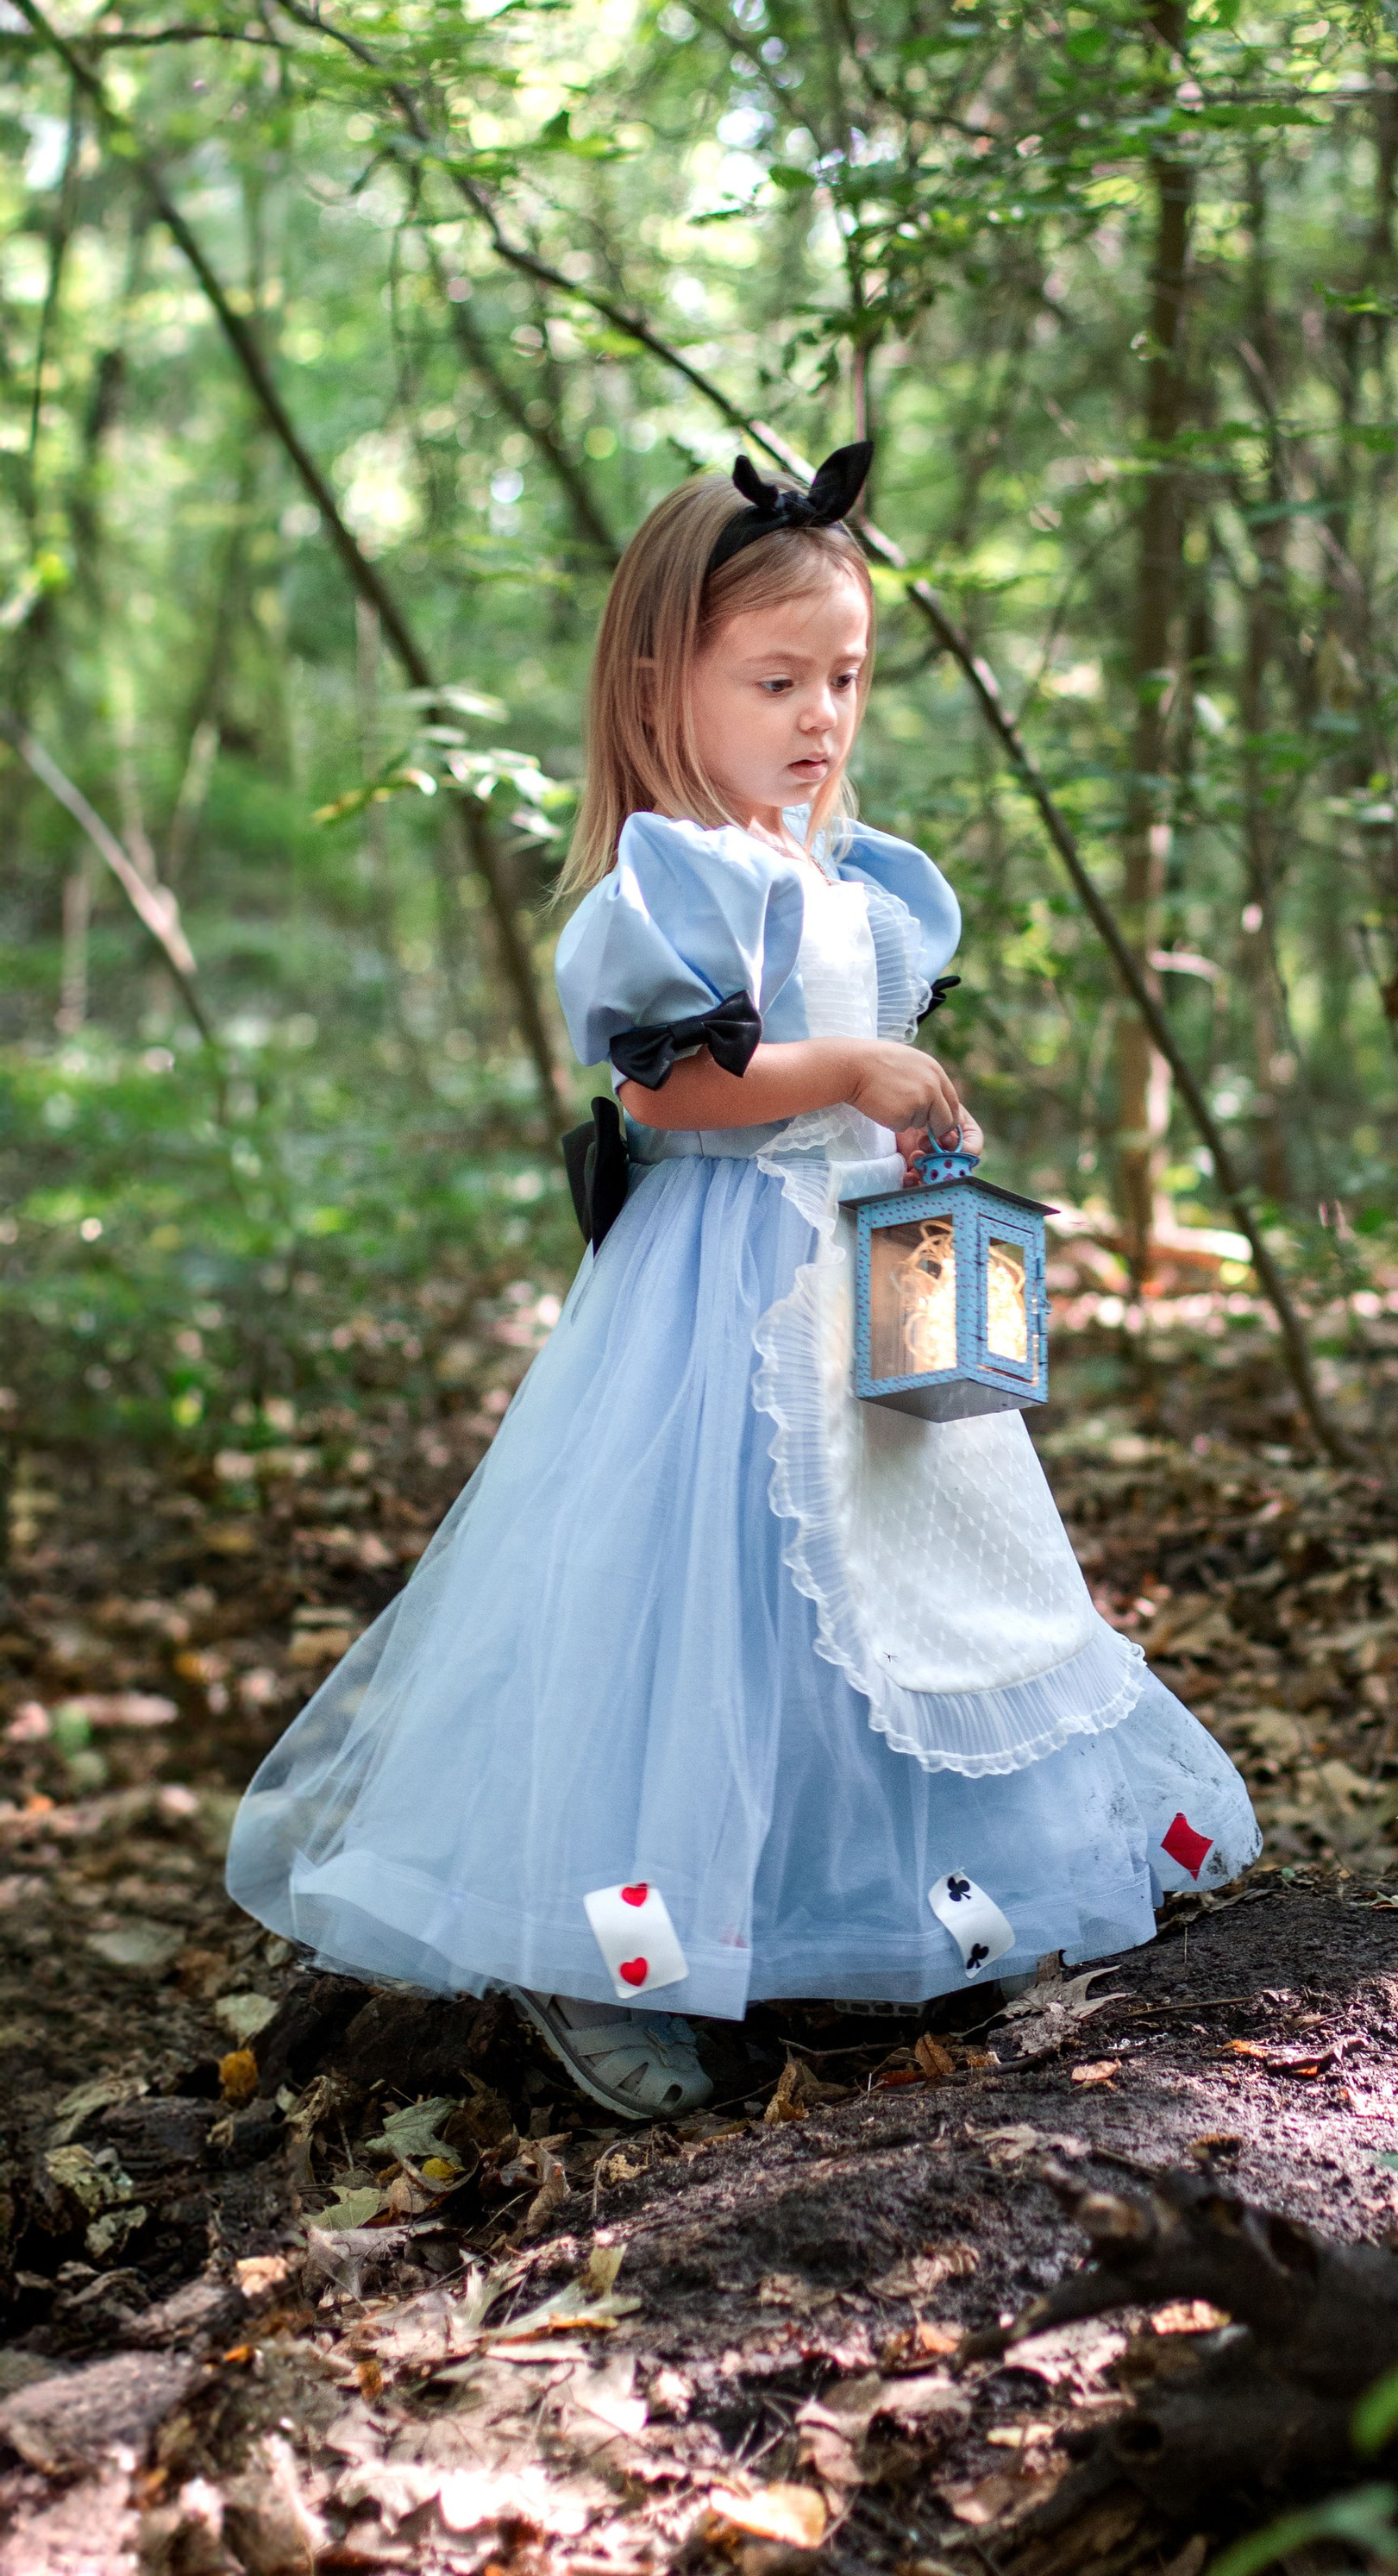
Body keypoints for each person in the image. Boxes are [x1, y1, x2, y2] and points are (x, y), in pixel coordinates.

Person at [226, 443, 1259, 2120]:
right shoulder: (674, 879)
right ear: (661, 683)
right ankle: (610, 1950)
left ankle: (923, 1904)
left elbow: (858, 1056)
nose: (818, 713)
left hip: (860, 1284)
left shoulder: (851, 874)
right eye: (774, 679)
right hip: (717, 1290)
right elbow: (665, 1090)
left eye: (843, 677)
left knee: (910, 1577)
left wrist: (908, 1110)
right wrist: (849, 1065)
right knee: (692, 1607)